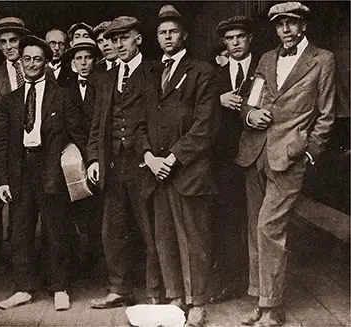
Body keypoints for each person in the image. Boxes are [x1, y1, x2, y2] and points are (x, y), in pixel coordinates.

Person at [236, 3, 336, 326]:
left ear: (303, 25)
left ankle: (273, 308)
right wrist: (251, 115)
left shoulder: (323, 60)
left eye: (291, 24)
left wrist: (309, 153)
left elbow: (326, 115)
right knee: (256, 230)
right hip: (256, 152)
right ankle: (259, 299)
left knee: (269, 227)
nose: (285, 31)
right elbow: (250, 102)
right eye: (280, 26)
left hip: (290, 157)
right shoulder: (266, 58)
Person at [139, 5, 220, 326]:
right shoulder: (150, 73)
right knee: (165, 238)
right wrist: (149, 157)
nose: (167, 37)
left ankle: (197, 302)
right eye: (162, 32)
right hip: (157, 171)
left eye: (172, 31)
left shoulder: (203, 72)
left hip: (188, 171)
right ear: (156, 38)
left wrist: (170, 159)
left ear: (184, 34)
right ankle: (174, 299)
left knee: (195, 240)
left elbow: (205, 127)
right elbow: (138, 122)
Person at [0, 35, 85, 311]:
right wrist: (3, 179)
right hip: (20, 169)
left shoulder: (63, 95)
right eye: (27, 59)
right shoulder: (10, 100)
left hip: (51, 169)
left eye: (37, 59)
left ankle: (59, 287)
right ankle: (23, 288)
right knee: (20, 232)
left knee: (56, 230)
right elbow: (1, 143)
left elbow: (78, 134)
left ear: (46, 62)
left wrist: (71, 160)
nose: (32, 64)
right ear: (20, 63)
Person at [87, 16, 162, 309]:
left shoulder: (154, 71)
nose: (118, 44)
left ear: (138, 39)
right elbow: (97, 124)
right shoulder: (106, 78)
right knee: (113, 230)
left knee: (149, 228)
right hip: (113, 164)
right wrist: (94, 157)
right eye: (113, 39)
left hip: (144, 163)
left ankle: (155, 291)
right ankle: (120, 289)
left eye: (124, 38)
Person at [208, 15, 257, 305]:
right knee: (228, 219)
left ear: (250, 38)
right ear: (224, 43)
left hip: (258, 155)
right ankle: (231, 280)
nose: (236, 42)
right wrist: (219, 100)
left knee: (258, 221)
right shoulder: (216, 76)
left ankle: (259, 282)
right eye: (230, 38)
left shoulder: (265, 67)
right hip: (226, 160)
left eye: (240, 36)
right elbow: (198, 108)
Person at [0, 17, 32, 264]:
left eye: (13, 40)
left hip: (37, 152)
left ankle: (39, 264)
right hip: (12, 155)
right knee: (17, 212)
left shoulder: (40, 69)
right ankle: (18, 268)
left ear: (22, 42)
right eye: (3, 42)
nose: (9, 46)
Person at [63, 37, 103, 276]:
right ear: (73, 62)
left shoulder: (103, 84)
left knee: (102, 209)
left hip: (102, 154)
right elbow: (73, 126)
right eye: (79, 58)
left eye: (88, 57)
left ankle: (100, 261)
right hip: (81, 154)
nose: (84, 62)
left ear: (95, 60)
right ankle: (83, 261)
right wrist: (87, 156)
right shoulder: (67, 90)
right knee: (82, 209)